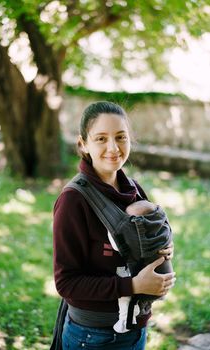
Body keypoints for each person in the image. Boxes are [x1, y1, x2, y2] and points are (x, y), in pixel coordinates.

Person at [53, 101, 175, 350]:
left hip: (136, 328)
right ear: (83, 144)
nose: (113, 148)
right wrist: (133, 286)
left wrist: (163, 249)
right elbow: (66, 283)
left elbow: (143, 241)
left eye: (121, 137)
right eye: (101, 138)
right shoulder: (73, 200)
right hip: (93, 336)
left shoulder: (133, 188)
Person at [107, 199, 173, 333]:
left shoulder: (139, 239)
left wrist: (110, 231)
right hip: (164, 277)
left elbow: (116, 245)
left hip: (146, 283)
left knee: (125, 295)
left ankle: (126, 319)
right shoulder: (160, 228)